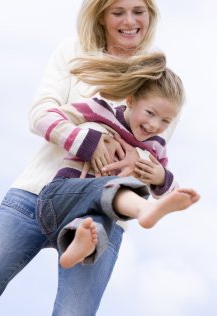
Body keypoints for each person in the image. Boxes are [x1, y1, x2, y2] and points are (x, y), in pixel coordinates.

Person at [0, 0, 176, 315]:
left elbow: (155, 149)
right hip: (36, 194)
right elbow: (41, 113)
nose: (129, 21)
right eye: (118, 12)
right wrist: (90, 140)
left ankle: (94, 235)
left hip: (100, 216)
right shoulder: (73, 51)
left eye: (138, 11)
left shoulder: (158, 78)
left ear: (151, 13)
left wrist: (145, 170)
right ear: (102, 15)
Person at [36, 51, 200, 269]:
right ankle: (143, 209)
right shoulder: (100, 111)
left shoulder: (155, 147)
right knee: (111, 190)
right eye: (150, 113)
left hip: (91, 216)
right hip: (60, 197)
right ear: (131, 100)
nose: (154, 125)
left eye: (165, 121)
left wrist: (161, 178)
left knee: (97, 224)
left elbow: (172, 195)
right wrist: (88, 141)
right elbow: (44, 119)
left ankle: (77, 245)